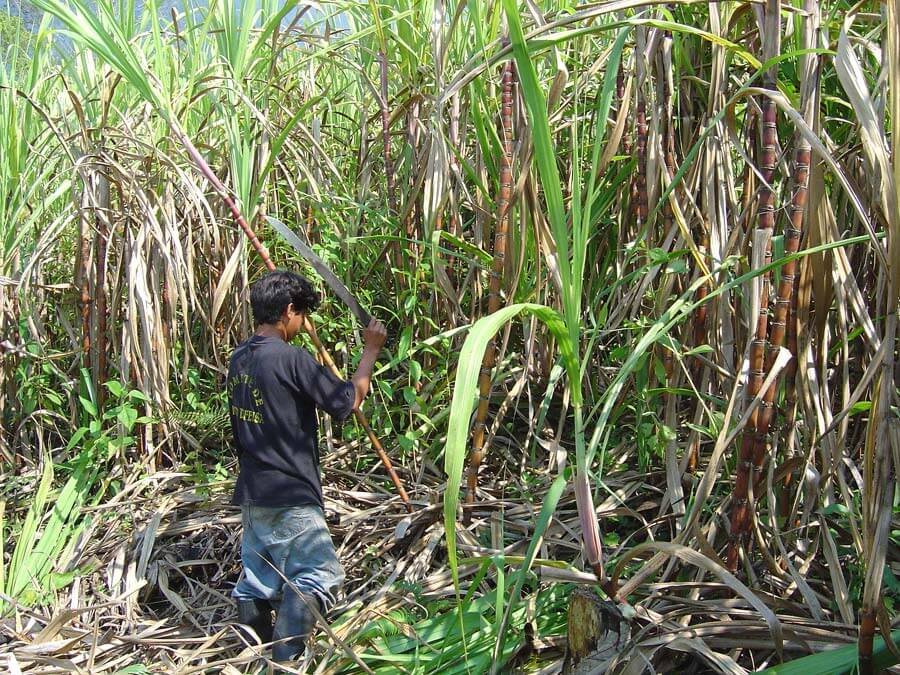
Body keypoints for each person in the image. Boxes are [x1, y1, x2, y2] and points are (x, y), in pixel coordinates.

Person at [226, 270, 387, 663]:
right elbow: (345, 402)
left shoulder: (239, 358)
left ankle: (255, 662)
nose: (302, 325)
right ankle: (284, 663)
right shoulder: (291, 358)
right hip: (290, 494)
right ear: (288, 311)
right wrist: (370, 352)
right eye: (302, 316)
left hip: (253, 493)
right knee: (321, 576)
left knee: (257, 583)